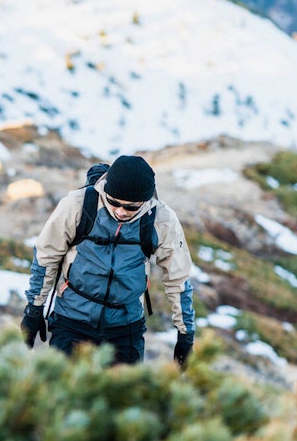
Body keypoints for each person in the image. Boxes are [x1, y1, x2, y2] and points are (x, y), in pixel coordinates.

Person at [21, 155, 196, 365]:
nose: (121, 211)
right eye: (114, 202)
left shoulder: (162, 220)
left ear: (146, 200)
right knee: (67, 394)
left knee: (124, 397)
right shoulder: (77, 205)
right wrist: (34, 309)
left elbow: (179, 279)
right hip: (72, 319)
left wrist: (185, 334)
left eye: (131, 207)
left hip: (125, 326)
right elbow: (46, 257)